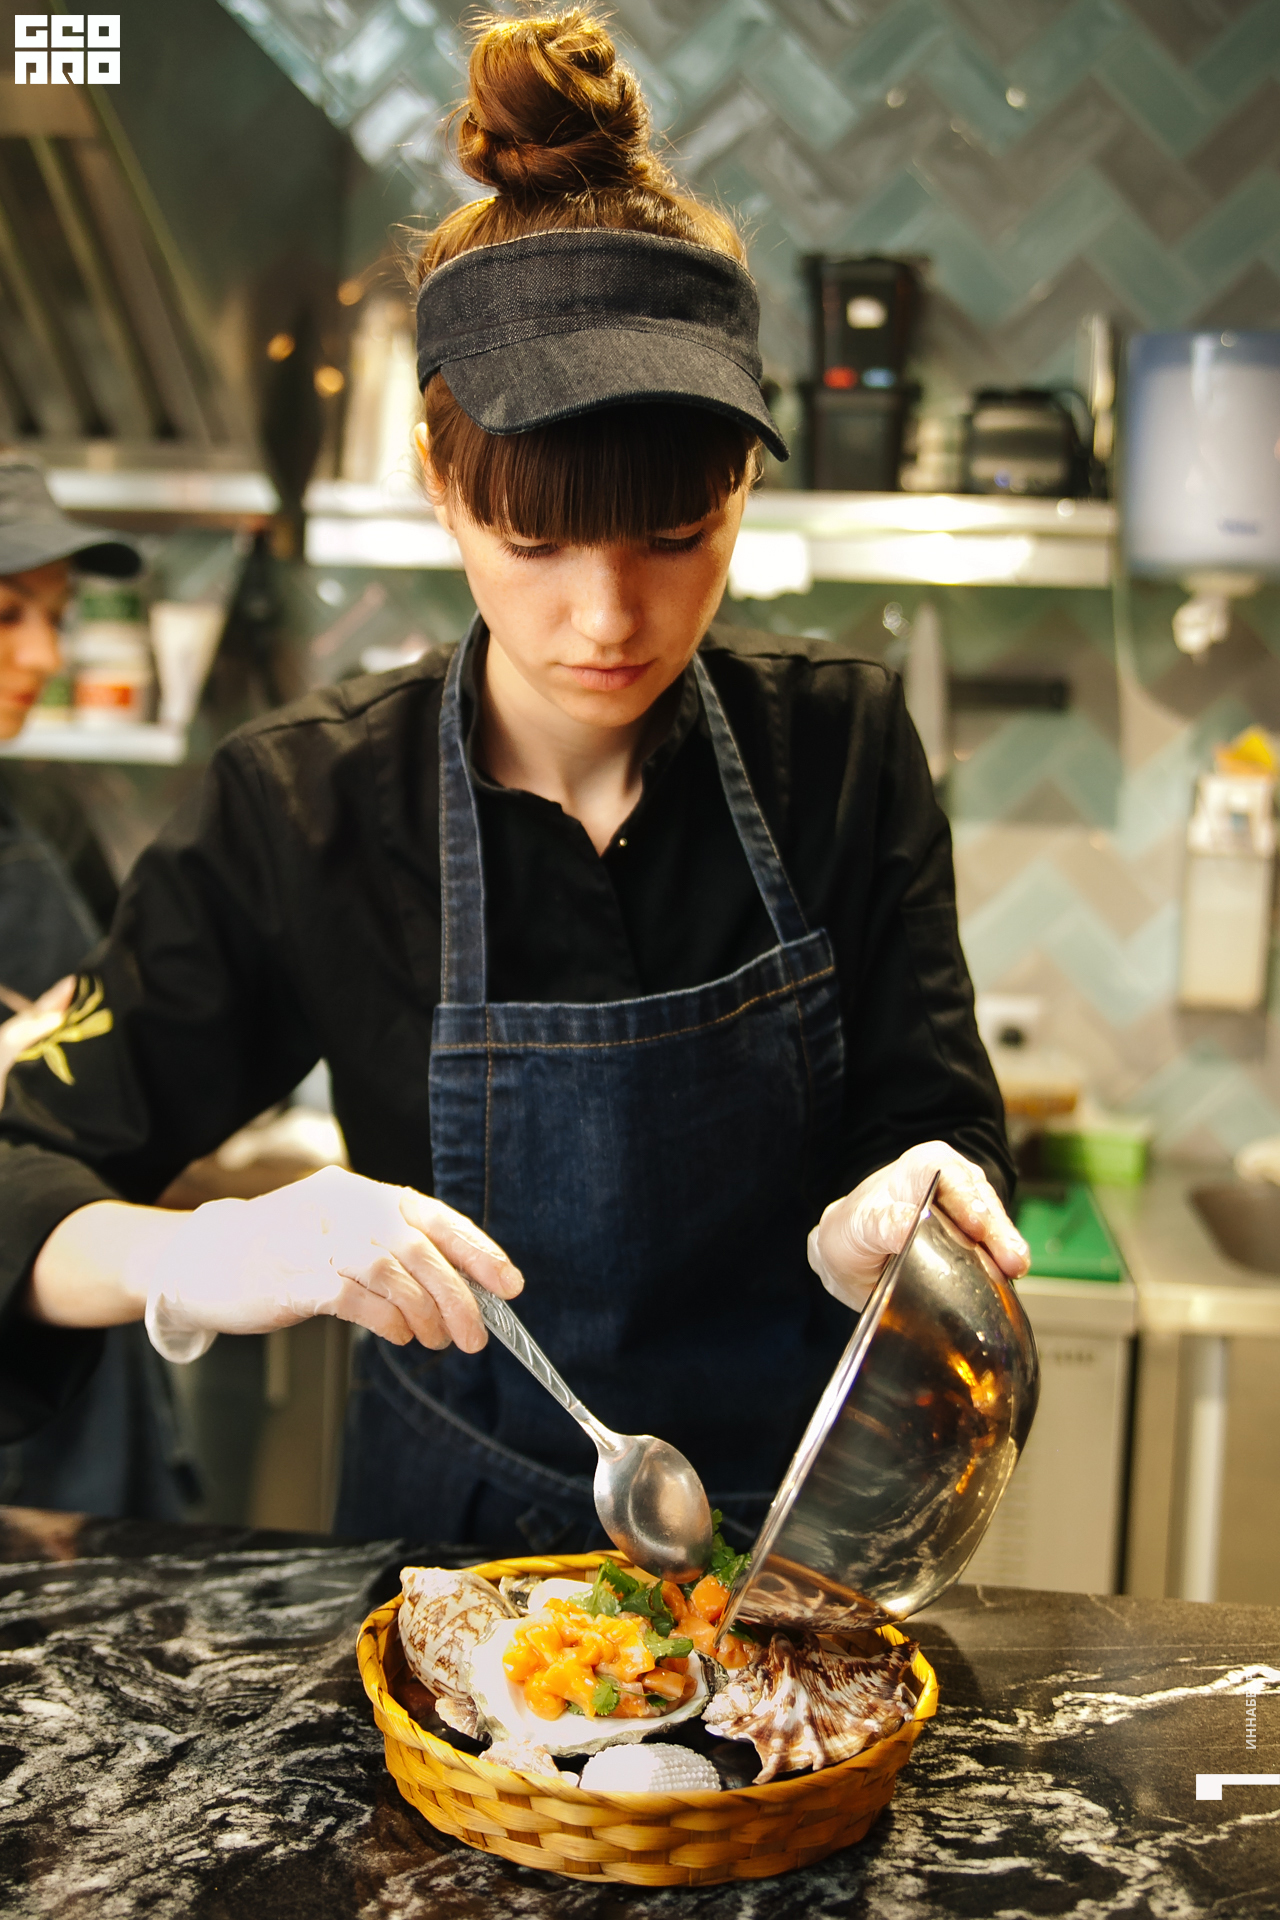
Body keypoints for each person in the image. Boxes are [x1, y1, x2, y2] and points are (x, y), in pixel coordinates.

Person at [0, 10, 1027, 1555]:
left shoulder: (843, 750)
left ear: (744, 484)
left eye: (675, 536)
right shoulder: (305, 807)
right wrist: (199, 1255)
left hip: (792, 1560)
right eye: (535, 541)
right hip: (446, 1571)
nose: (608, 618)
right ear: (440, 482)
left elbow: (937, 1122)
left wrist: (900, 1223)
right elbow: (22, 1165)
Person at [0, 462, 192, 1516]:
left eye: (55, 617)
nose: (43, 654)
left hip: (83, 1320)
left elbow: (121, 1014)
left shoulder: (44, 816)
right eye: (7, 615)